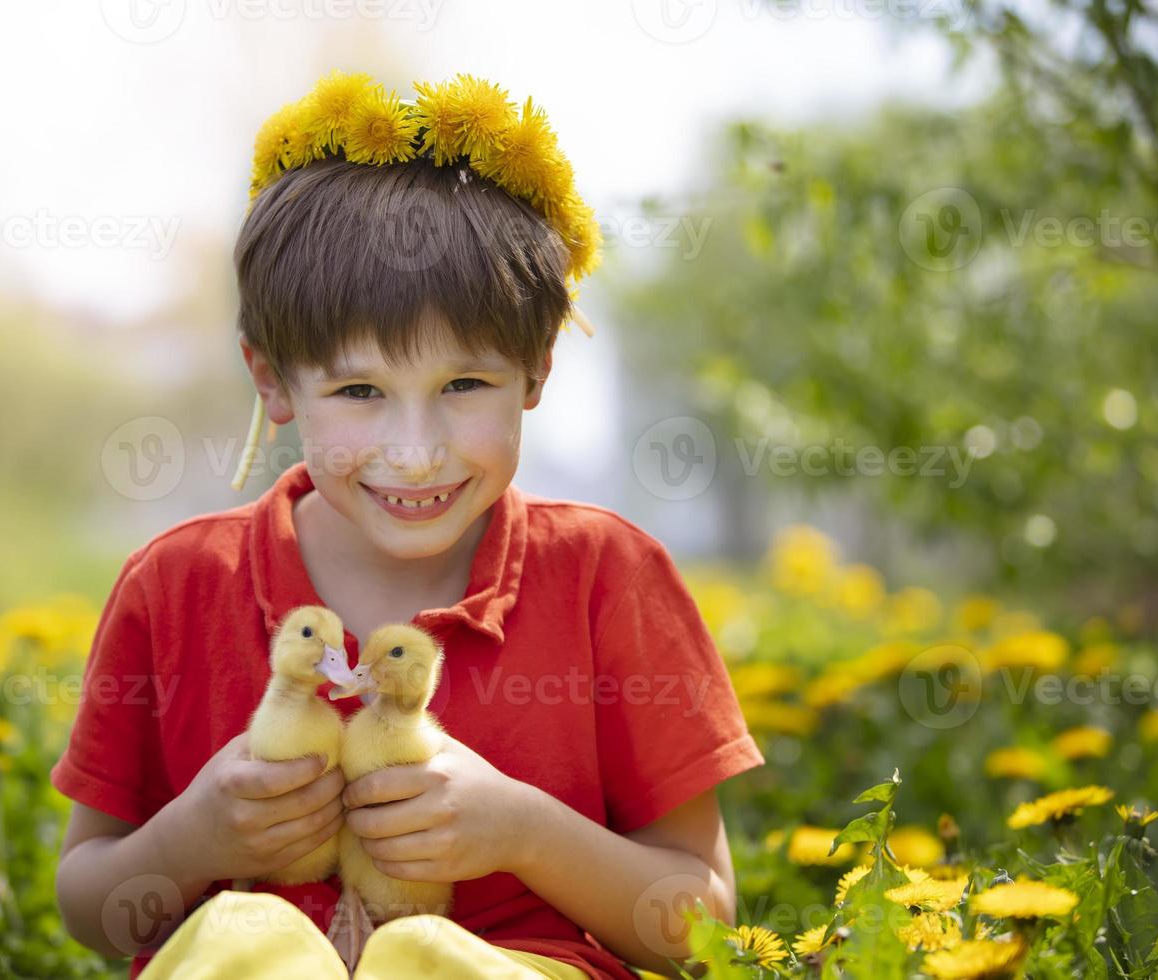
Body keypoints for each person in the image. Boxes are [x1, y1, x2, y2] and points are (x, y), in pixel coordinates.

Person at [50, 69, 764, 979]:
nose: (416, 453)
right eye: (360, 393)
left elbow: (700, 927)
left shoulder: (605, 577)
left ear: (537, 372)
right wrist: (192, 841)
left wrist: (522, 830)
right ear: (271, 381)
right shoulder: (176, 587)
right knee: (241, 942)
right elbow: (89, 906)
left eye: (464, 386)